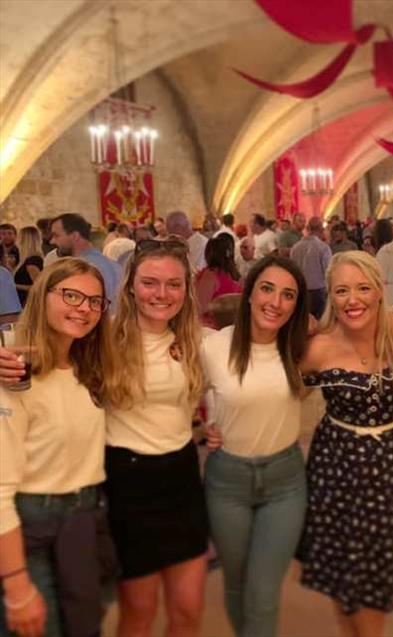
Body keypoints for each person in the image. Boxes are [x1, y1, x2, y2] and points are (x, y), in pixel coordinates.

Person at [299, 251, 393, 637]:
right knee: (347, 578)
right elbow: (275, 390)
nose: (352, 300)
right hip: (338, 467)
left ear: (378, 290)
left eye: (362, 288)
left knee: (373, 576)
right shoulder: (318, 346)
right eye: (341, 290)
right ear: (331, 296)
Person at [0, 258, 114, 637]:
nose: (84, 307)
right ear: (44, 296)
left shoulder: (90, 367)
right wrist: (15, 585)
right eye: (71, 295)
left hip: (83, 517)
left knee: (84, 629)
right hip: (31, 521)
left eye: (95, 301)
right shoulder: (15, 371)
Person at [101, 239, 208, 636]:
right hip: (128, 481)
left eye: (173, 284)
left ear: (186, 289)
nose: (161, 294)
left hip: (181, 476)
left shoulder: (194, 340)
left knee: (188, 609)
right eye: (150, 282)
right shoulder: (104, 339)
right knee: (139, 612)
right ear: (130, 285)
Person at [202, 255, 310, 637]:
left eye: (288, 295)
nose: (274, 302)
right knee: (237, 583)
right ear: (248, 294)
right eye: (267, 289)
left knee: (263, 592)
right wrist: (203, 427)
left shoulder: (302, 348)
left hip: (284, 483)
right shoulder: (214, 346)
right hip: (227, 481)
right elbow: (172, 397)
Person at [49, 213, 122, 312]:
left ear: (75, 236)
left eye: (56, 235)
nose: (52, 241)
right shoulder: (115, 266)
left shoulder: (79, 269)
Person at [195, 234, 242, 326]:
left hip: (221, 326)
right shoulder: (234, 275)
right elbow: (200, 309)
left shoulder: (212, 275)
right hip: (222, 326)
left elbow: (200, 308)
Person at [290, 217, 331, 319]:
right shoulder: (323, 247)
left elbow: (292, 269)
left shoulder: (295, 247)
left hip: (301, 290)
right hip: (318, 292)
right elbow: (328, 270)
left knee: (303, 322)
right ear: (321, 229)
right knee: (320, 324)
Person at [13, 226, 44, 307]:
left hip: (27, 303)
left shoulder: (32, 262)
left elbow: (38, 287)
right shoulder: (29, 259)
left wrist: (14, 285)